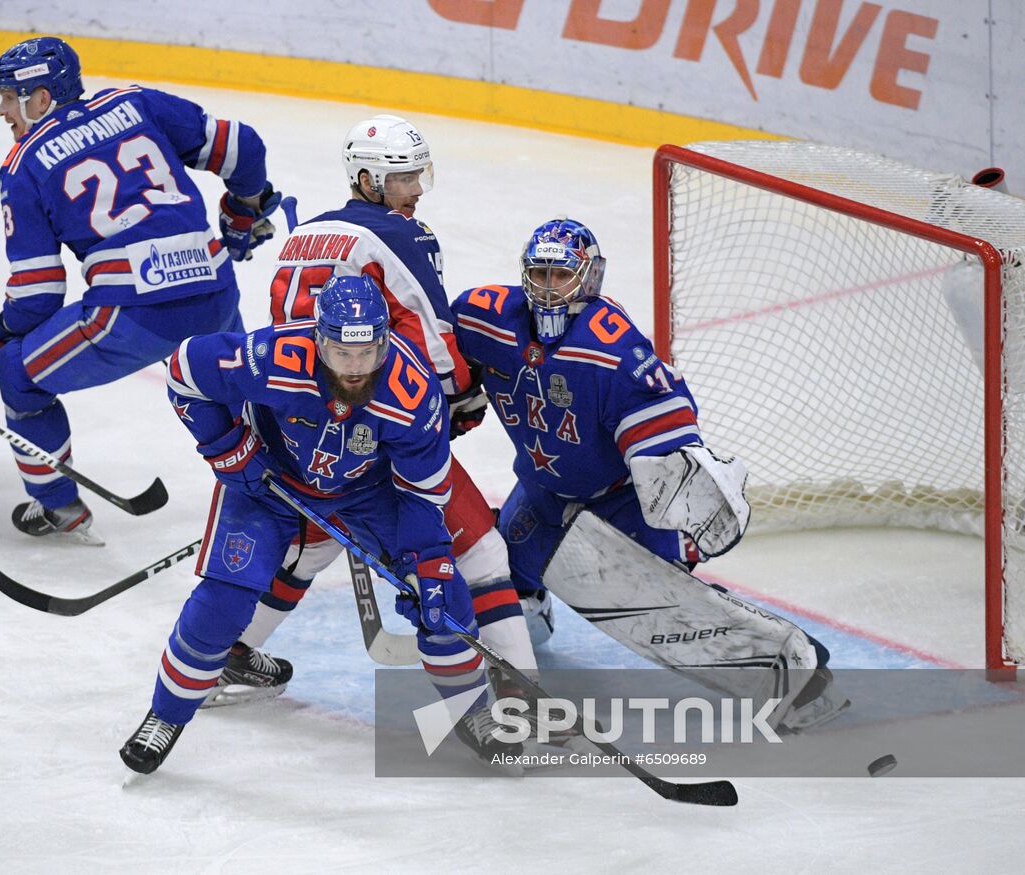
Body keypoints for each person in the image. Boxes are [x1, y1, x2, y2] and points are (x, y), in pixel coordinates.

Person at [450, 217, 849, 731]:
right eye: (541, 274)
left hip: (619, 504)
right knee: (496, 569)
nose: (549, 288)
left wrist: (685, 496)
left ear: (589, 278)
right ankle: (530, 613)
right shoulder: (485, 318)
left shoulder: (613, 350)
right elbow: (434, 350)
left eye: (562, 275)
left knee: (670, 607)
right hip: (541, 492)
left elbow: (665, 437)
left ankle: (801, 682)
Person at [120, 276, 503, 774]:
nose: (356, 366)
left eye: (368, 352)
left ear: (385, 340)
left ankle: (474, 713)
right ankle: (165, 716)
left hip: (367, 492)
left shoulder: (412, 395)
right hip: (268, 482)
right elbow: (184, 371)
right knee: (223, 601)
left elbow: (422, 495)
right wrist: (226, 448)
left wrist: (427, 562)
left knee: (443, 598)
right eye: (343, 352)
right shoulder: (273, 357)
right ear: (319, 339)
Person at [233, 114, 535, 695]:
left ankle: (230, 647)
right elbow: (431, 334)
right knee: (480, 551)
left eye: (419, 175)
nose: (416, 189)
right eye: (402, 178)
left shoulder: (304, 237)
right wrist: (459, 401)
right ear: (369, 180)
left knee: (317, 538)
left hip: (294, 420)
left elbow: (285, 336)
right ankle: (526, 691)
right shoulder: (401, 236)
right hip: (375, 417)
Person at [0, 37, 283, 541]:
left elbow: (37, 293)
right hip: (214, 292)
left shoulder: (23, 164)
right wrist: (243, 212)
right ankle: (295, 489)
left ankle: (58, 506)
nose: (3, 111)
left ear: (40, 99)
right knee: (241, 393)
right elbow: (243, 147)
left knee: (19, 376)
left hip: (131, 315)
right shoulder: (134, 102)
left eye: (10, 97)